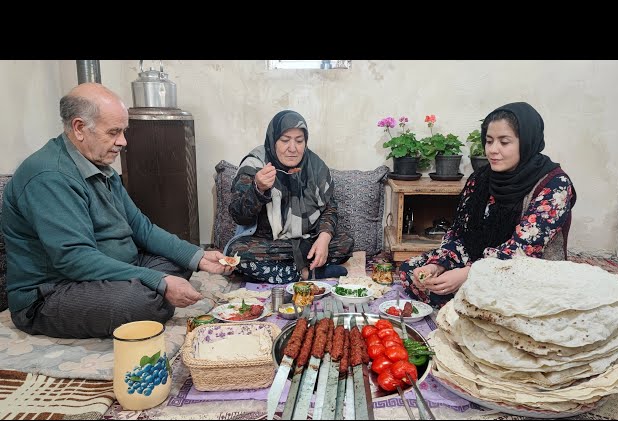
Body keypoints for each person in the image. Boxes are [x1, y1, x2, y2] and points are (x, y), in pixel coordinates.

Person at [1, 83, 234, 339]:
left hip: (109, 271)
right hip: (54, 292)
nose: (122, 142)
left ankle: (148, 287)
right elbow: (74, 260)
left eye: (123, 131)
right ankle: (145, 293)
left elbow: (142, 228)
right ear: (79, 128)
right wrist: (158, 281)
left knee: (176, 262)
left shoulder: (100, 165)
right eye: (113, 132)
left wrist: (197, 256)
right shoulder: (49, 176)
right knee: (138, 301)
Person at [400, 102, 577, 307]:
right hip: (478, 259)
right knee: (411, 272)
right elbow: (459, 232)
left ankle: (469, 304)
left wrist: (469, 274)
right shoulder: (481, 178)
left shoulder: (554, 185)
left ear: (527, 142)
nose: (493, 150)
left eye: (504, 142)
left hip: (524, 272)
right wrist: (439, 264)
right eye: (489, 141)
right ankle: (463, 302)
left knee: (499, 301)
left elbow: (522, 251)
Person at [225, 110, 354, 284]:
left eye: (299, 141)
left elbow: (329, 209)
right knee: (236, 252)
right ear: (273, 140)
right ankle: (307, 274)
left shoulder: (315, 167)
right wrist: (258, 189)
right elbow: (238, 215)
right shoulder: (255, 165)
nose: (293, 148)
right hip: (268, 243)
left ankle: (276, 270)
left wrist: (324, 238)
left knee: (345, 242)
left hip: (305, 240)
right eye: (285, 140)